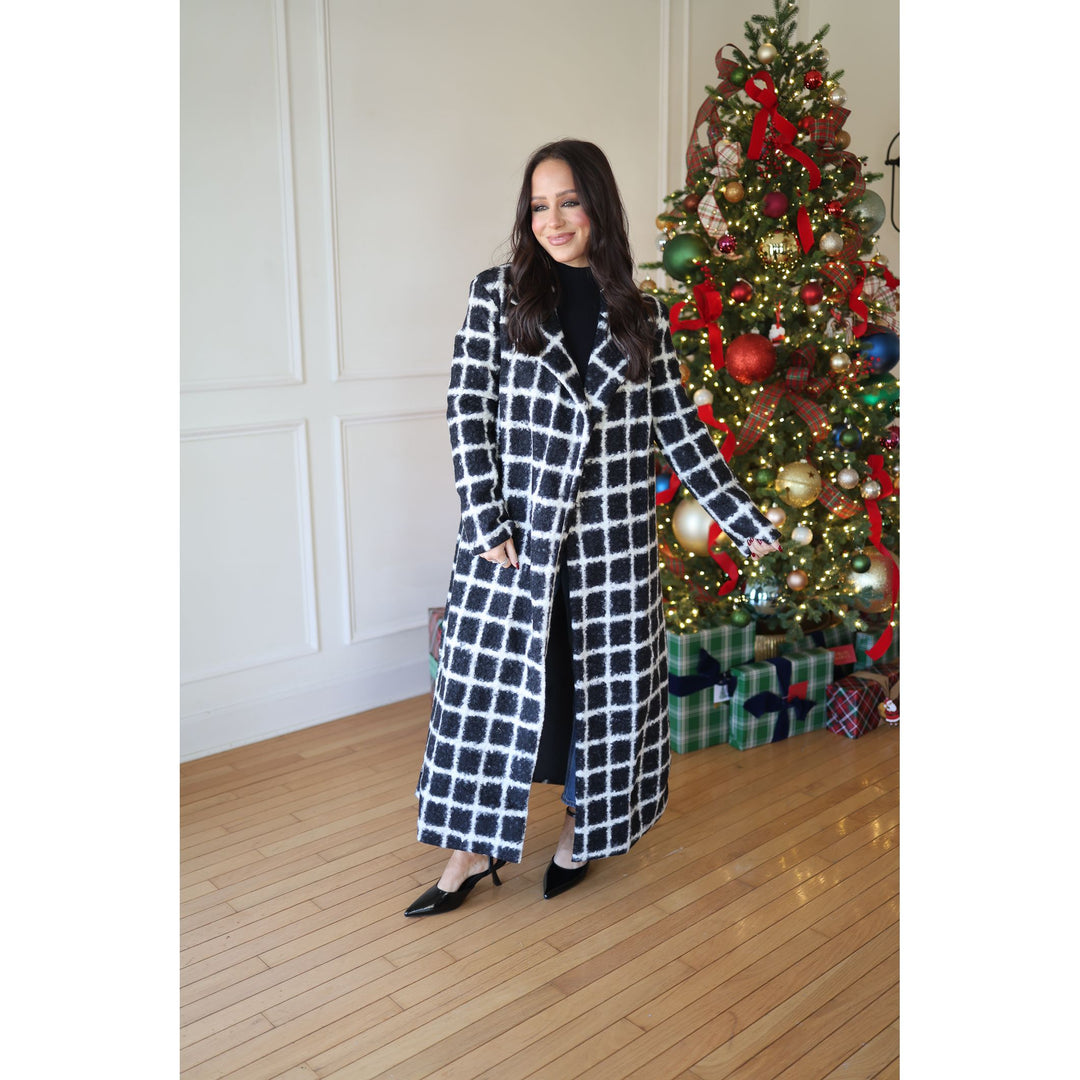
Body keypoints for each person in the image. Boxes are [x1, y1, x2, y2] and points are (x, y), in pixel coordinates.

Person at [405, 139, 781, 918]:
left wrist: (745, 524)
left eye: (568, 201)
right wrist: (486, 518)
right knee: (492, 698)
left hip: (610, 554)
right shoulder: (496, 296)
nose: (553, 220)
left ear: (598, 207)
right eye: (539, 205)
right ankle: (468, 852)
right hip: (513, 546)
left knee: (594, 702)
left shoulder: (642, 315)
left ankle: (587, 831)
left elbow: (681, 433)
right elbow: (466, 410)